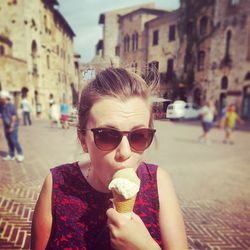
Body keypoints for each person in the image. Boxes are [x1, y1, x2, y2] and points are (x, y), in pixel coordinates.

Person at [31, 68, 188, 250]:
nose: (125, 152)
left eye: (139, 136)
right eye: (106, 135)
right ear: (83, 139)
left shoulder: (159, 183)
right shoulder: (57, 184)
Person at [0, 90, 24, 162]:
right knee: (9, 140)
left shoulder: (11, 105)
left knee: (14, 140)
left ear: (5, 98)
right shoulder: (1, 106)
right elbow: (1, 117)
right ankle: (11, 155)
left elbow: (13, 117)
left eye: (1, 97)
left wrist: (11, 126)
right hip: (6, 125)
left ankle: (20, 154)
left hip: (14, 125)